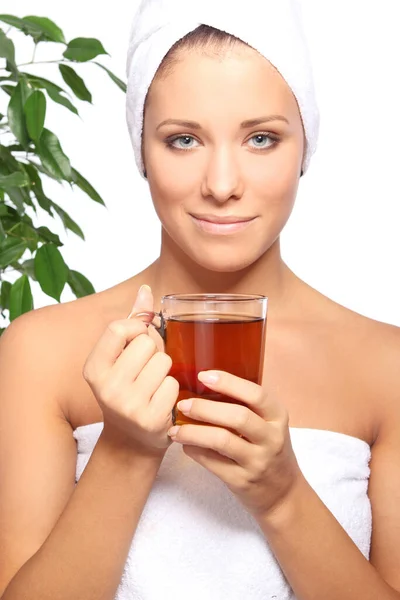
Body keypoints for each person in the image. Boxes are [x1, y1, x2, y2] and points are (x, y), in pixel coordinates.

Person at [1, 0, 400, 598]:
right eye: (183, 140)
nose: (221, 184)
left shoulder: (385, 367)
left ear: (305, 147)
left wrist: (283, 492)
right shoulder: (39, 353)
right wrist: (127, 452)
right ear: (142, 150)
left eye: (261, 138)